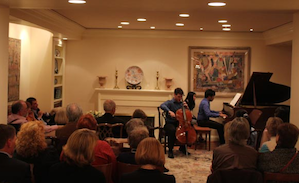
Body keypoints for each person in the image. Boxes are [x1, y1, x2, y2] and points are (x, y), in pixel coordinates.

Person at [160, 87, 189, 158]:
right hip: (170, 123)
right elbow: (162, 105)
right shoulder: (170, 102)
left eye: (181, 97)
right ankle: (170, 150)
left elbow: (187, 114)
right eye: (178, 96)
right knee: (172, 130)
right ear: (174, 95)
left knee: (187, 130)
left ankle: (182, 147)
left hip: (180, 123)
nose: (180, 98)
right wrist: (169, 111)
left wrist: (187, 108)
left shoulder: (182, 104)